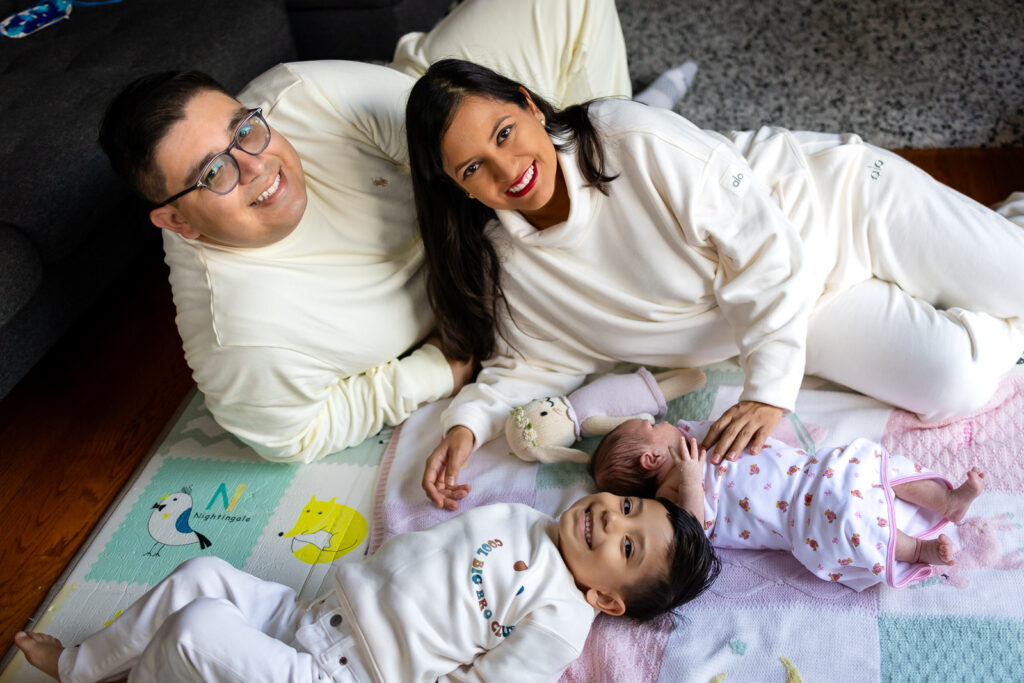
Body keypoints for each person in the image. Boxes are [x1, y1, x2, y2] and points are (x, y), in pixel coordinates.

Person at [404, 58, 1024, 510]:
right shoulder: (510, 264)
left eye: (504, 132)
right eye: (473, 167)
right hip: (798, 309)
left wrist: (770, 391)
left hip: (840, 207)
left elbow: (762, 246)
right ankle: (987, 270)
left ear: (529, 104)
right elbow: (535, 361)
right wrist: (468, 424)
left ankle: (1004, 235)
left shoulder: (626, 136)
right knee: (957, 383)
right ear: (457, 186)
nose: (507, 169)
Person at [97, 0, 635, 464]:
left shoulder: (303, 96)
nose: (256, 165)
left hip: (428, 113)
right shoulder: (239, 337)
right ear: (177, 221)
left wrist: (590, 173)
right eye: (214, 172)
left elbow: (463, 152)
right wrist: (433, 371)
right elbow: (291, 438)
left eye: (244, 129)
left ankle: (617, 156)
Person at [13, 492, 720, 682]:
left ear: (607, 600)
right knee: (200, 573)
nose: (609, 516)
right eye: (627, 505)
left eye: (626, 545)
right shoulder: (531, 519)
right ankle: (82, 667)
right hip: (305, 613)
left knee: (196, 629)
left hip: (339, 673)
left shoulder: (562, 616)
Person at [592, 418, 985, 591]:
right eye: (651, 427)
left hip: (813, 470)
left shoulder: (691, 440)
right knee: (852, 521)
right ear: (651, 460)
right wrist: (692, 478)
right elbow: (691, 533)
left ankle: (947, 500)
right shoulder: (669, 496)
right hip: (802, 516)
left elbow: (735, 430)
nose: (663, 423)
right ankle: (916, 549)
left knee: (876, 466)